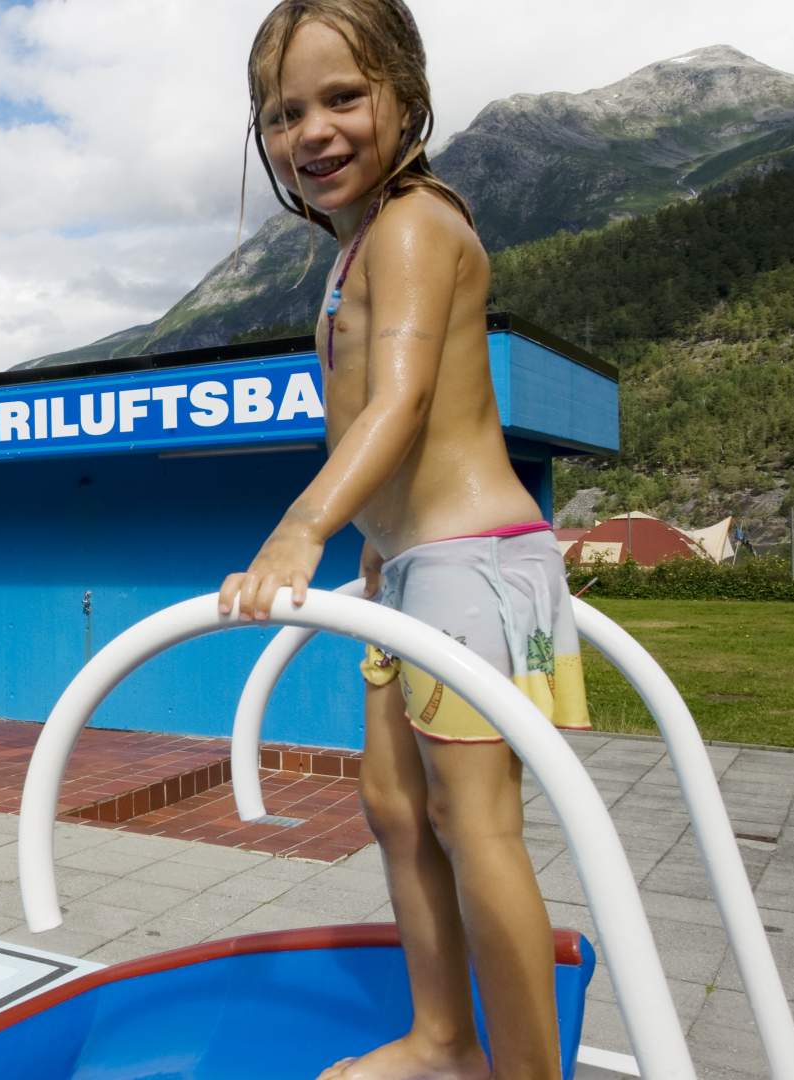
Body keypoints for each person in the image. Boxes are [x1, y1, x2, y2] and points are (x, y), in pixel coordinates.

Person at [219, 5, 589, 1079]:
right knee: (391, 805)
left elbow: (404, 399)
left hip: (475, 562)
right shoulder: (353, 251)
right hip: (410, 566)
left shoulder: (420, 223)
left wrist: (303, 529)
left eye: (344, 97)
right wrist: (372, 554)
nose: (314, 131)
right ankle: (444, 1041)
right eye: (286, 113)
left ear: (406, 93)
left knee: (474, 826)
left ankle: (522, 1072)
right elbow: (381, 435)